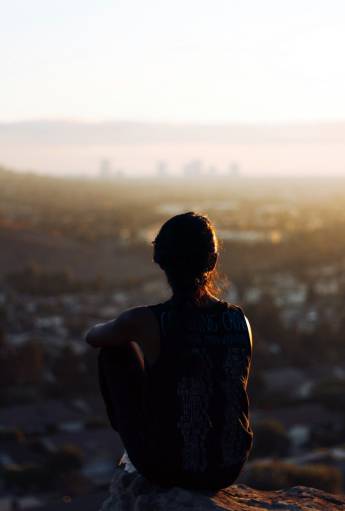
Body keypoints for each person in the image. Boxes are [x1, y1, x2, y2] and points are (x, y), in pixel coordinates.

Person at [85, 212, 253, 491]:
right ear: (212, 262)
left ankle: (137, 449)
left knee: (114, 352)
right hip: (228, 467)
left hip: (166, 468)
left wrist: (125, 326)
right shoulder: (240, 321)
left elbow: (93, 337)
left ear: (160, 260)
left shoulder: (145, 321)